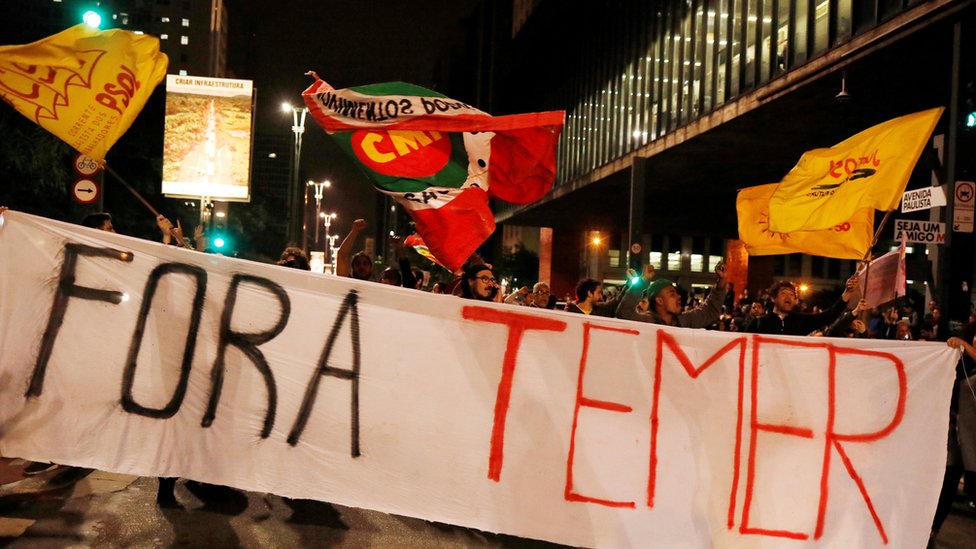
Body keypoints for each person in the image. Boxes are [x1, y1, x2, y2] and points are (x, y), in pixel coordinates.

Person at [617, 262, 728, 328]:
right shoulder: (645, 323)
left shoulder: (684, 321)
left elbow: (709, 312)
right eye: (672, 294)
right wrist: (643, 281)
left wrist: (721, 282)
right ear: (659, 300)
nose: (678, 296)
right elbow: (624, 313)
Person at [747, 275, 859, 336]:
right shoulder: (758, 323)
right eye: (783, 293)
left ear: (795, 301)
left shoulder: (802, 321)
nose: (788, 297)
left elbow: (829, 315)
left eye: (792, 295)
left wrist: (848, 292)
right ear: (773, 298)